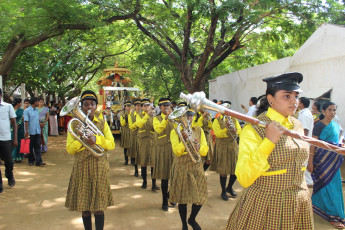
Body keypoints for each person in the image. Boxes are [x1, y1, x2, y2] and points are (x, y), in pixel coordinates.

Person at [226, 72, 314, 229]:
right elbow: (244, 177)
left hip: (299, 204)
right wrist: (269, 142)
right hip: (266, 205)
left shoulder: (297, 125)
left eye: (296, 96)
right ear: (270, 99)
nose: (294, 101)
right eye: (287, 96)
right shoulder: (254, 129)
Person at [65, 90, 115, 230]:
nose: (89, 107)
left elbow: (111, 144)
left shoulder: (102, 121)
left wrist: (96, 139)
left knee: (99, 207)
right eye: (85, 104)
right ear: (80, 107)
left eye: (92, 104)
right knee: (85, 208)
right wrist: (81, 139)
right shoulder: (74, 124)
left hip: (99, 166)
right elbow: (70, 149)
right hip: (81, 167)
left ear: (96, 106)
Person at [170, 108, 209, 230]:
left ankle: (192, 219)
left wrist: (199, 147)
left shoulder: (199, 130)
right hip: (182, 166)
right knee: (183, 198)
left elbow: (205, 150)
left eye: (191, 115)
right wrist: (185, 140)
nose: (189, 118)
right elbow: (176, 151)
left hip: (196, 166)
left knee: (200, 197)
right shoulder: (175, 132)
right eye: (186, 116)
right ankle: (184, 224)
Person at [307, 102, 345, 229]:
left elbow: (337, 142)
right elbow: (313, 143)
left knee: (334, 186)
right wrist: (310, 160)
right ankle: (333, 215)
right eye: (330, 110)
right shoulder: (318, 125)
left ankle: (331, 211)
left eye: (334, 110)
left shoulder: (336, 125)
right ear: (323, 111)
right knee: (324, 185)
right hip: (321, 161)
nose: (332, 112)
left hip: (333, 162)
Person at [211, 101, 241, 201]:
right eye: (224, 110)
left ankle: (229, 187)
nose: (226, 112)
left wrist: (235, 130)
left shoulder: (234, 119)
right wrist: (227, 128)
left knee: (235, 170)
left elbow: (239, 131)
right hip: (222, 146)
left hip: (232, 145)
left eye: (227, 109)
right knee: (223, 171)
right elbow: (218, 134)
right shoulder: (216, 120)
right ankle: (223, 191)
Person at [153, 97, 174, 211]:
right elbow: (158, 130)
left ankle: (170, 195)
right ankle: (164, 201)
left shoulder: (174, 118)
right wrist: (166, 118)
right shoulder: (156, 119)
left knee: (175, 175)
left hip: (174, 149)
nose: (167, 107)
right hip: (163, 149)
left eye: (168, 105)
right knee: (165, 177)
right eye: (164, 106)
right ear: (160, 107)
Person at [136, 98, 159, 190]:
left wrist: (152, 116)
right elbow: (140, 125)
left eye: (148, 105)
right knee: (143, 161)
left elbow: (156, 128)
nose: (147, 107)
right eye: (145, 106)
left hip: (152, 140)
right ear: (142, 107)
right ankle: (144, 182)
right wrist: (147, 115)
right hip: (142, 140)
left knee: (153, 161)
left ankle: (154, 183)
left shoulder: (154, 116)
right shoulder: (139, 115)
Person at [0, 88, 17, 193]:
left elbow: (14, 123)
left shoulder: (8, 106)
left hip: (6, 138)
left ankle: (9, 174)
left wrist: (15, 138)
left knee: (9, 161)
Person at [24, 97, 46, 166]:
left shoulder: (36, 110)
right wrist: (26, 131)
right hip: (31, 131)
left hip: (37, 131)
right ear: (34, 102)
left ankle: (38, 161)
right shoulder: (27, 111)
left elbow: (37, 120)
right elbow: (26, 121)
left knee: (37, 146)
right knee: (30, 146)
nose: (38, 103)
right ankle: (31, 160)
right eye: (37, 102)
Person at [298, 97, 314, 187]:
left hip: (303, 142)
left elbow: (305, 130)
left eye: (298, 101)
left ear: (302, 104)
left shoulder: (305, 114)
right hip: (304, 142)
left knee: (304, 166)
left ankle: (309, 185)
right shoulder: (304, 113)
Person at [128, 99, 141, 176]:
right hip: (135, 136)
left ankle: (143, 172)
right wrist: (138, 122)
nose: (139, 107)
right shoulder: (131, 115)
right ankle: (136, 171)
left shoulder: (144, 115)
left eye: (140, 105)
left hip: (143, 137)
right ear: (135, 107)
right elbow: (131, 126)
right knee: (135, 154)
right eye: (137, 106)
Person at [11, 98, 25, 162]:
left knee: (20, 141)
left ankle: (19, 157)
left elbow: (23, 119)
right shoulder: (11, 110)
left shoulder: (21, 110)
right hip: (12, 128)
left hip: (20, 128)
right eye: (20, 103)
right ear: (18, 103)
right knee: (12, 141)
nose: (21, 104)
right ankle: (12, 156)